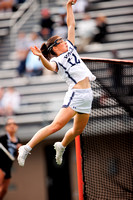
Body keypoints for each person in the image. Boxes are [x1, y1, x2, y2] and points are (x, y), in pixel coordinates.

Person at [17, 0, 96, 167]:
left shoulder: (71, 48)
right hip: (76, 95)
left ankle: (61, 145)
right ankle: (26, 147)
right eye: (61, 41)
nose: (65, 41)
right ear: (55, 48)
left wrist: (68, 6)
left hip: (87, 95)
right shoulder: (58, 60)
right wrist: (41, 57)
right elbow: (50, 66)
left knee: (77, 131)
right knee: (56, 126)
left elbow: (71, 25)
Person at [0, 117, 21, 200]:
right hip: (1, 165)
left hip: (8, 166)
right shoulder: (2, 138)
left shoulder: (17, 140)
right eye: (9, 124)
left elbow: (15, 155)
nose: (12, 126)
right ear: (6, 127)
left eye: (14, 124)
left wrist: (19, 150)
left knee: (4, 190)